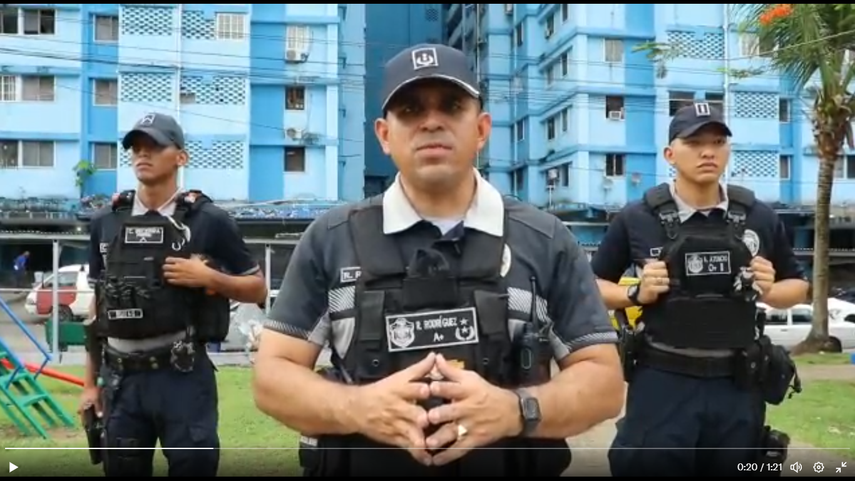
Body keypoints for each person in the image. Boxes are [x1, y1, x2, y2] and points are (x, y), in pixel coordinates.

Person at [252, 43, 625, 477]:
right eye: (410, 110)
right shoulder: (331, 239)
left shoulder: (545, 240)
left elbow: (603, 383)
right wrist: (357, 407)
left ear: (482, 129)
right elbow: (272, 377)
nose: (431, 122)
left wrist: (514, 410)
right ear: (384, 135)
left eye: (451, 106)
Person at [592, 102, 809, 477]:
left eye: (718, 142)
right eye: (694, 143)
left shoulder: (758, 215)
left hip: (738, 385)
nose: (708, 152)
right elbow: (590, 286)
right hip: (663, 382)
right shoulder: (637, 217)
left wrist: (771, 290)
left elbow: (799, 285)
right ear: (669, 154)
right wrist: (635, 293)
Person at [80, 112, 267, 477]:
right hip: (121, 379)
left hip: (181, 375)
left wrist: (208, 277)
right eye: (136, 147)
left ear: (181, 157)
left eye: (154, 146)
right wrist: (90, 384)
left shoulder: (208, 220)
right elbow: (98, 305)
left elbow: (257, 287)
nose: (142, 154)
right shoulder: (106, 221)